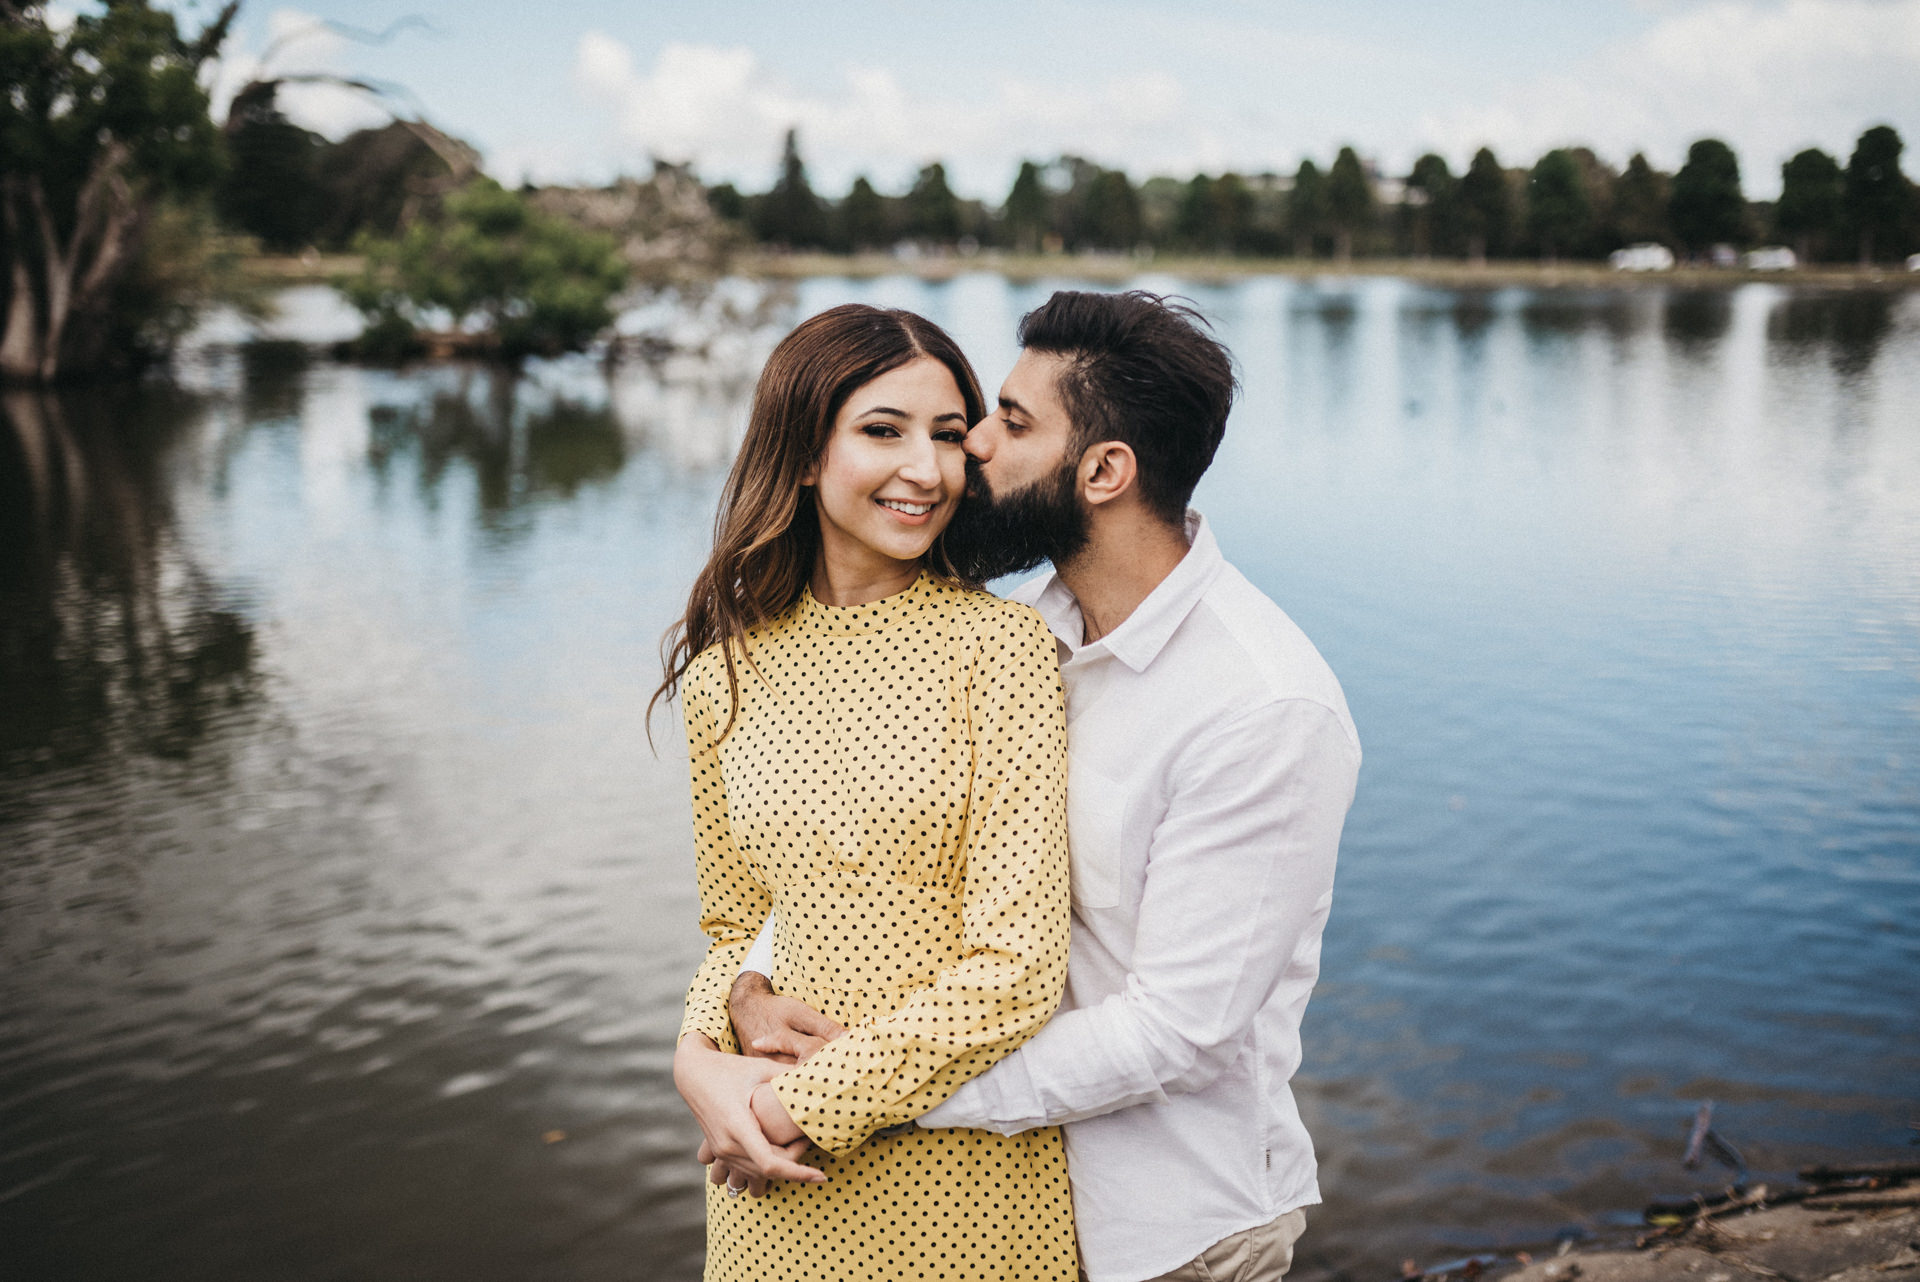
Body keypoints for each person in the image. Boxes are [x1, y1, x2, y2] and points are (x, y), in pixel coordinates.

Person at [720, 291, 1362, 1282]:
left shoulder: (1262, 706)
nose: (970, 445)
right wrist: (750, 991)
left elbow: (1174, 1029)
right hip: (996, 1202)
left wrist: (847, 1094)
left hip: (1172, 1229)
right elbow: (850, 850)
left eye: (1010, 422)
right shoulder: (1028, 631)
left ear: (1103, 471)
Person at [653, 303, 1080, 1282]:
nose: (926, 472)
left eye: (947, 436)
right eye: (882, 431)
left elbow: (1016, 967)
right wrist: (706, 1041)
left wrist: (803, 1105)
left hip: (953, 1167)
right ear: (804, 453)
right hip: (767, 1187)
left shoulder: (1001, 650)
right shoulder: (725, 671)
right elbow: (736, 922)